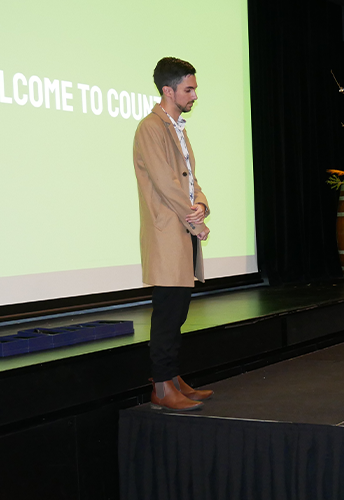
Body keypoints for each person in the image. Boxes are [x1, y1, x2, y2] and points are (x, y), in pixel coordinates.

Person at [133, 57, 213, 412]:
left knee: (177, 313)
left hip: (182, 232)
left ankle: (172, 378)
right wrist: (196, 221)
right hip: (168, 233)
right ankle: (162, 387)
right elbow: (166, 184)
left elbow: (189, 180)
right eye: (188, 89)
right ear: (168, 90)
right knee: (167, 314)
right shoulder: (150, 128)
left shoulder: (177, 128)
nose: (194, 95)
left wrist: (203, 204)